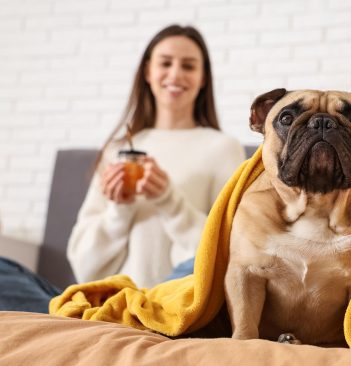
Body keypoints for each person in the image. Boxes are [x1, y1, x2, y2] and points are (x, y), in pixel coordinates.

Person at [0, 24, 245, 312]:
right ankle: (107, 320)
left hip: (170, 303)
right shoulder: (117, 152)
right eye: (165, 63)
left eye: (188, 66)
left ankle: (140, 317)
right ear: (147, 72)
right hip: (106, 306)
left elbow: (228, 256)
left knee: (204, 263)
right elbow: (84, 267)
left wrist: (169, 201)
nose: (175, 74)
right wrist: (118, 211)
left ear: (203, 78)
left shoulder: (224, 149)